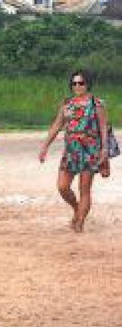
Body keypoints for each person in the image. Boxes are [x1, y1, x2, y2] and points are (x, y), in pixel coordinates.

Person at [38, 69, 111, 232]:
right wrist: (45, 146)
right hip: (71, 152)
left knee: (84, 188)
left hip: (90, 151)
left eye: (81, 83)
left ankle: (79, 224)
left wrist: (104, 149)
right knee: (62, 187)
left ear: (88, 84)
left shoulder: (97, 104)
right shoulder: (67, 104)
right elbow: (57, 125)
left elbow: (103, 127)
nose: (77, 86)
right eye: (74, 83)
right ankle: (77, 208)